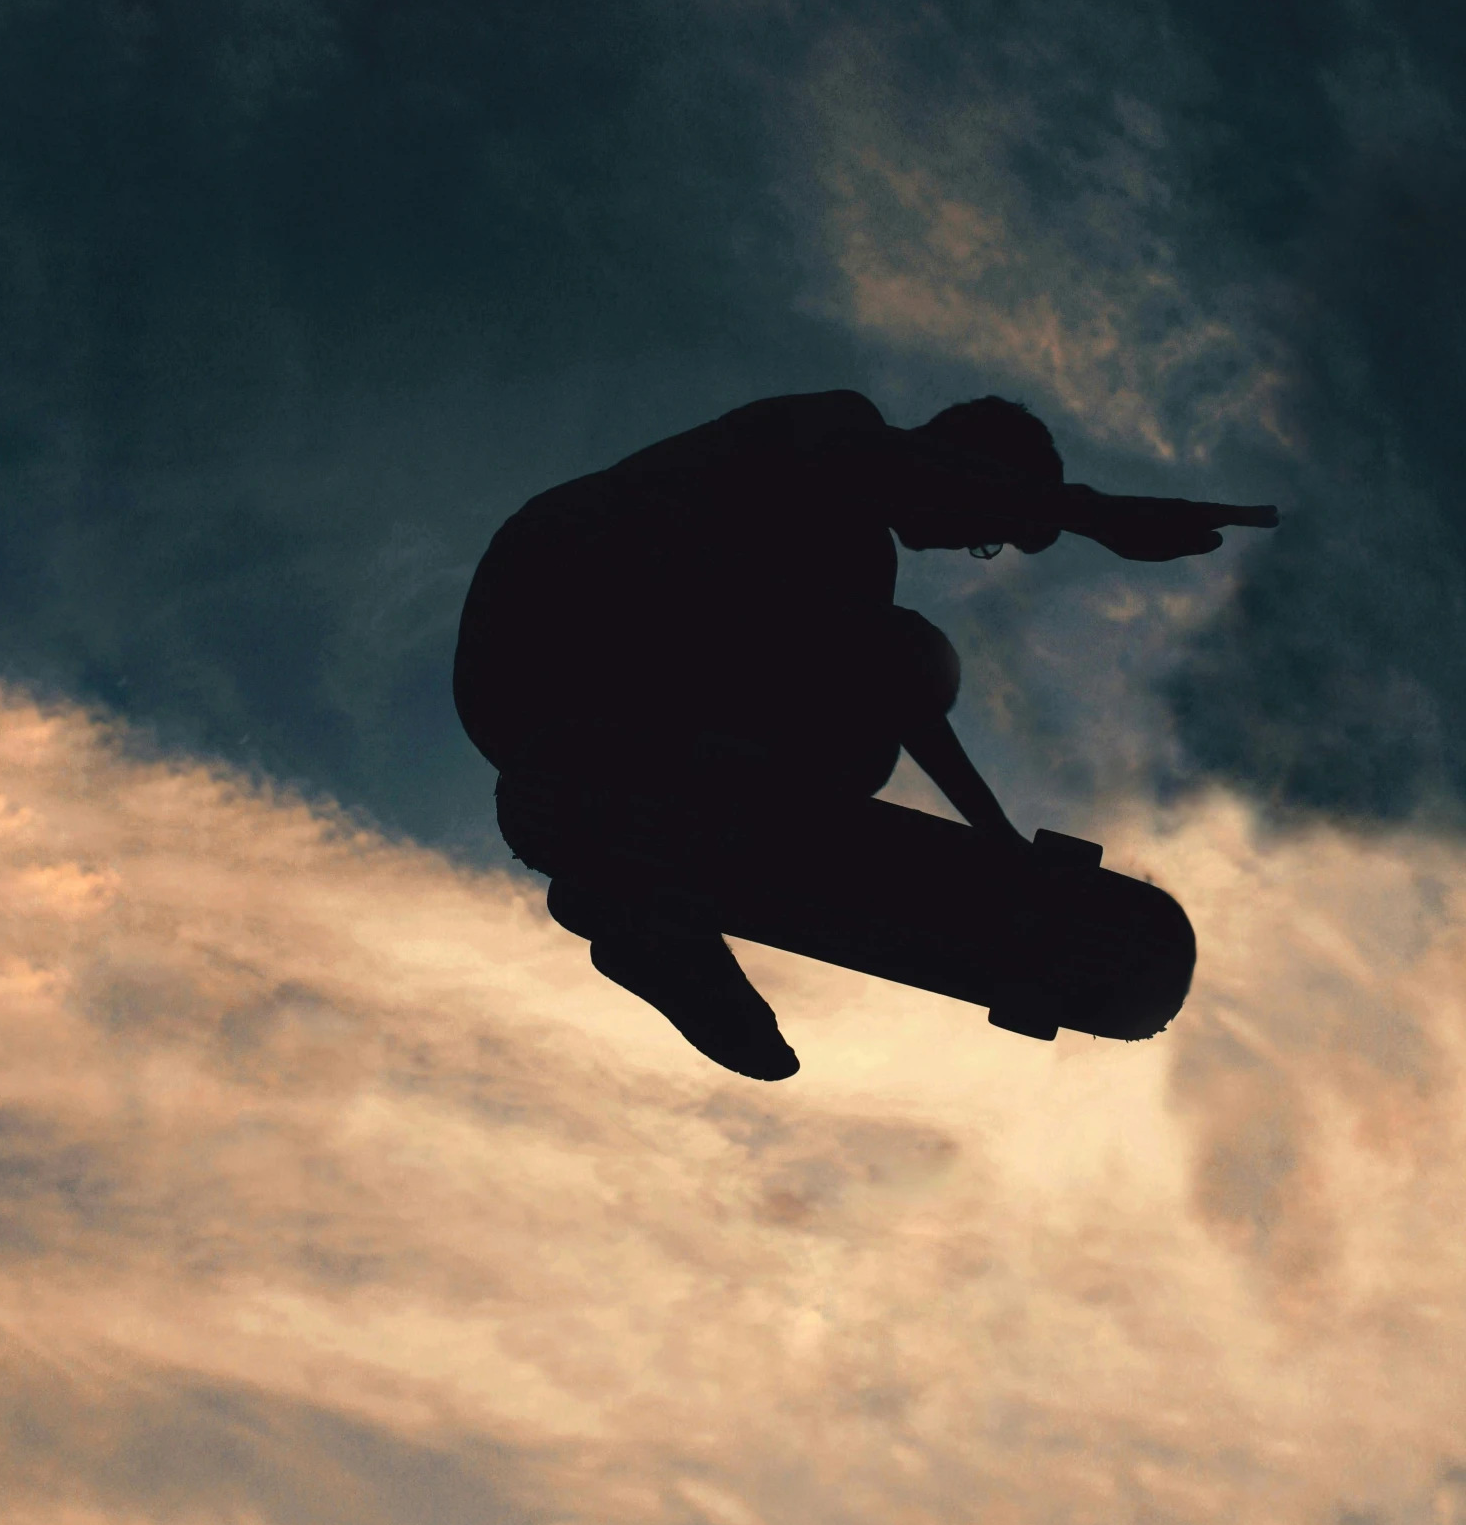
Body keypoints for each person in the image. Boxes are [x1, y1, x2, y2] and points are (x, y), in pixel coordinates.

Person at [454, 390, 1275, 1080]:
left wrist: (995, 845)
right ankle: (649, 870)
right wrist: (1088, 512)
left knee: (855, 747)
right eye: (982, 525)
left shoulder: (856, 564)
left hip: (553, 715)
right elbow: (896, 640)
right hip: (552, 603)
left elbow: (895, 703)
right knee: (910, 659)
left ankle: (644, 898)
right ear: (959, 458)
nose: (966, 545)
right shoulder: (835, 431)